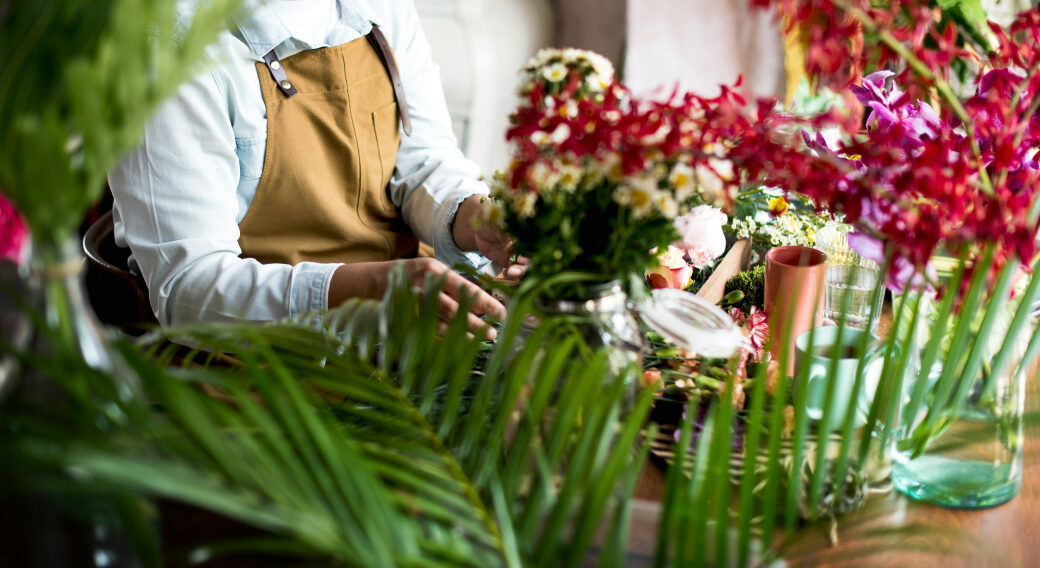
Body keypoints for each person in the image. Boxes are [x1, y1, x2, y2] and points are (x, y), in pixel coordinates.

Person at [108, 0, 521, 337]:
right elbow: (188, 292)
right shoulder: (167, 46)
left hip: (409, 341)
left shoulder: (382, 8)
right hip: (265, 374)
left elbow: (424, 161)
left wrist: (474, 218)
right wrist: (369, 291)